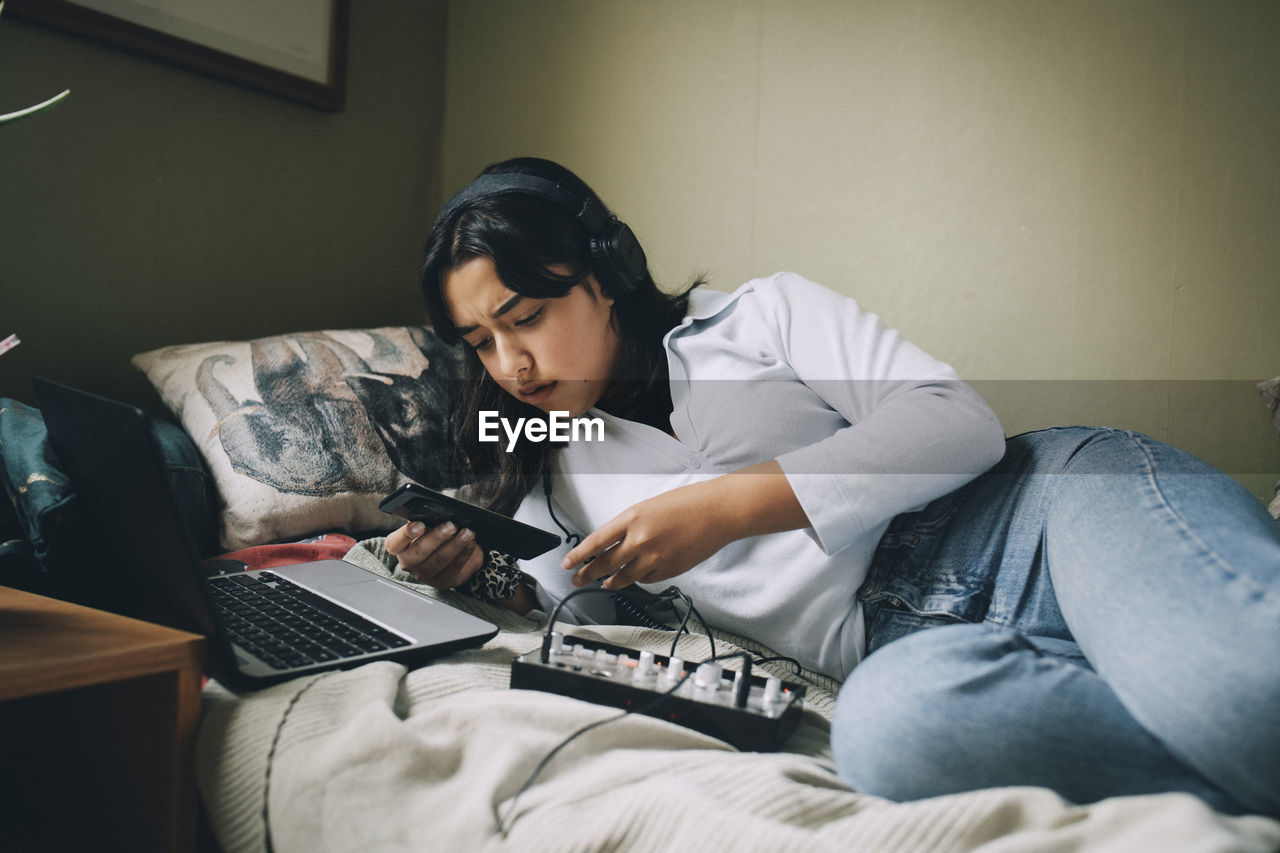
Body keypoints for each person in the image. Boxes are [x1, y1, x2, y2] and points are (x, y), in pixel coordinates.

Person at [386, 156, 1280, 819]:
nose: (510, 363)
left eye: (527, 319)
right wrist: (472, 572)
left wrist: (726, 505)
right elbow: (571, 608)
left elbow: (954, 419)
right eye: (481, 342)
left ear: (606, 276)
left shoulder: (764, 313)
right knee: (890, 737)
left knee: (1244, 694)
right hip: (900, 654)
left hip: (1051, 514)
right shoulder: (552, 460)